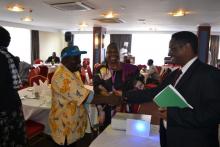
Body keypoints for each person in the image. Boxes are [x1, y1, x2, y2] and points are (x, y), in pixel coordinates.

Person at [122, 31, 220, 147]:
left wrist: (172, 114)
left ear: (187, 48)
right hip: (170, 138)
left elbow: (214, 114)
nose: (169, 53)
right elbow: (155, 92)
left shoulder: (209, 74)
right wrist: (125, 95)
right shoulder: (174, 74)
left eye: (173, 48)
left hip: (194, 141)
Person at [49, 46, 93, 146]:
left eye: (79, 57)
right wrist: (109, 99)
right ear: (65, 60)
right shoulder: (62, 76)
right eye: (76, 58)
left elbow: (80, 93)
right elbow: (85, 97)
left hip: (74, 125)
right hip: (65, 129)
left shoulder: (73, 71)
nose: (79, 61)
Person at [93, 42, 139, 129]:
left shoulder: (130, 69)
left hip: (125, 109)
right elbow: (96, 86)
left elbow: (138, 84)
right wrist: (110, 96)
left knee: (124, 135)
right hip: (107, 109)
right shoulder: (101, 69)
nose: (112, 54)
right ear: (106, 54)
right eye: (110, 52)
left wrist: (124, 95)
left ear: (118, 54)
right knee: (107, 135)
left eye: (115, 52)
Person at [0, 26, 27, 146]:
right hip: (12, 101)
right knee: (16, 134)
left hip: (4, 104)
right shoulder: (10, 57)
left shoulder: (5, 57)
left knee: (6, 137)